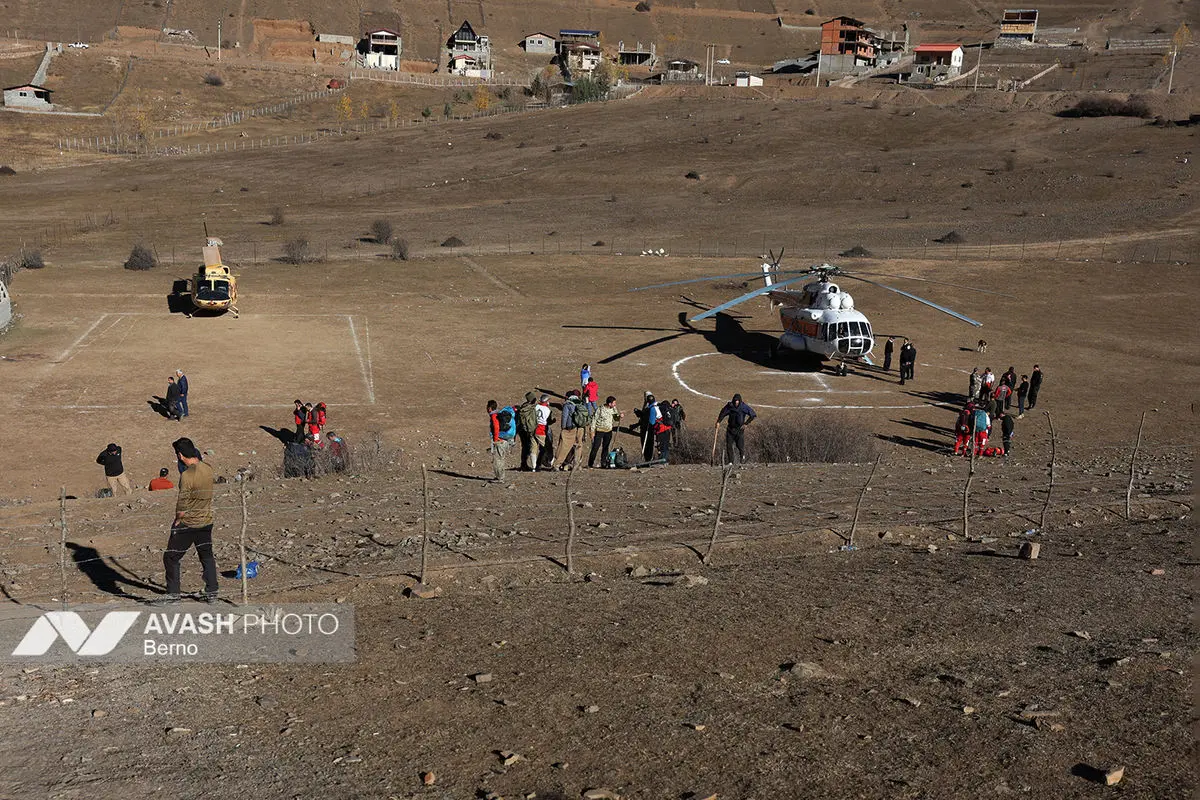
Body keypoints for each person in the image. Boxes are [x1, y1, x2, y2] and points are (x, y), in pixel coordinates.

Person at [158, 437, 217, 604]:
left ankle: (173, 594)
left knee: (171, 557)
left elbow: (183, 503)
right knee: (206, 556)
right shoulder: (208, 468)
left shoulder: (187, 475)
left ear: (180, 455)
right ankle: (212, 590)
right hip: (206, 519)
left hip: (189, 523)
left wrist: (178, 520)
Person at [717, 393, 757, 465]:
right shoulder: (729, 406)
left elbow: (753, 415)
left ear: (740, 401)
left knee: (739, 445)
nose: (736, 402)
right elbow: (723, 413)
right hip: (730, 429)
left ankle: (742, 456)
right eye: (735, 400)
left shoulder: (743, 407)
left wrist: (746, 423)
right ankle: (730, 462)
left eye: (738, 401)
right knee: (729, 445)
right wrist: (718, 421)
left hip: (739, 429)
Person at [555, 390, 590, 470]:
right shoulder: (581, 403)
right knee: (578, 447)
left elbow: (565, 417)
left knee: (565, 447)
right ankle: (577, 465)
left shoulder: (568, 404)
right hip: (580, 428)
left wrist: (563, 427)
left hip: (570, 428)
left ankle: (557, 465)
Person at [588, 396, 622, 468]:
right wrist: (592, 431)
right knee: (595, 447)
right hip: (599, 430)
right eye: (614, 403)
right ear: (609, 404)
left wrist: (620, 417)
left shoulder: (613, 409)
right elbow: (594, 420)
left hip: (608, 431)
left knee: (605, 447)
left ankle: (603, 463)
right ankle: (590, 463)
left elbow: (616, 418)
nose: (615, 405)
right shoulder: (600, 409)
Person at [487, 400, 517, 482]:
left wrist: (495, 439)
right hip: (505, 439)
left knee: (497, 459)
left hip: (500, 440)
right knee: (501, 458)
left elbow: (496, 427)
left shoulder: (494, 416)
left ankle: (500, 478)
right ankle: (500, 476)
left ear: (489, 408)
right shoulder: (499, 414)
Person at [516, 391, 539, 471]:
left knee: (524, 447)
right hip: (529, 430)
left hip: (522, 430)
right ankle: (529, 465)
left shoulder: (523, 407)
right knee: (530, 447)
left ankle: (523, 464)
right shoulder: (532, 408)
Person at [534, 394, 556, 471]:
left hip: (533, 428)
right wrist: (553, 421)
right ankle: (539, 464)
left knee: (534, 448)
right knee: (545, 448)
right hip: (542, 430)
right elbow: (548, 422)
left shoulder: (536, 407)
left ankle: (535, 465)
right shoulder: (547, 410)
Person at [639, 393, 660, 462]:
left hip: (649, 429)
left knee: (648, 445)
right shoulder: (655, 406)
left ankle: (649, 459)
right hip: (652, 429)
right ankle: (649, 458)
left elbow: (651, 422)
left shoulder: (651, 408)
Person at [653, 397, 673, 463]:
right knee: (666, 445)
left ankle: (662, 460)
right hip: (668, 429)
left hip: (661, 430)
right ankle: (665, 460)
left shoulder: (659, 409)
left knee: (662, 446)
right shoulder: (669, 410)